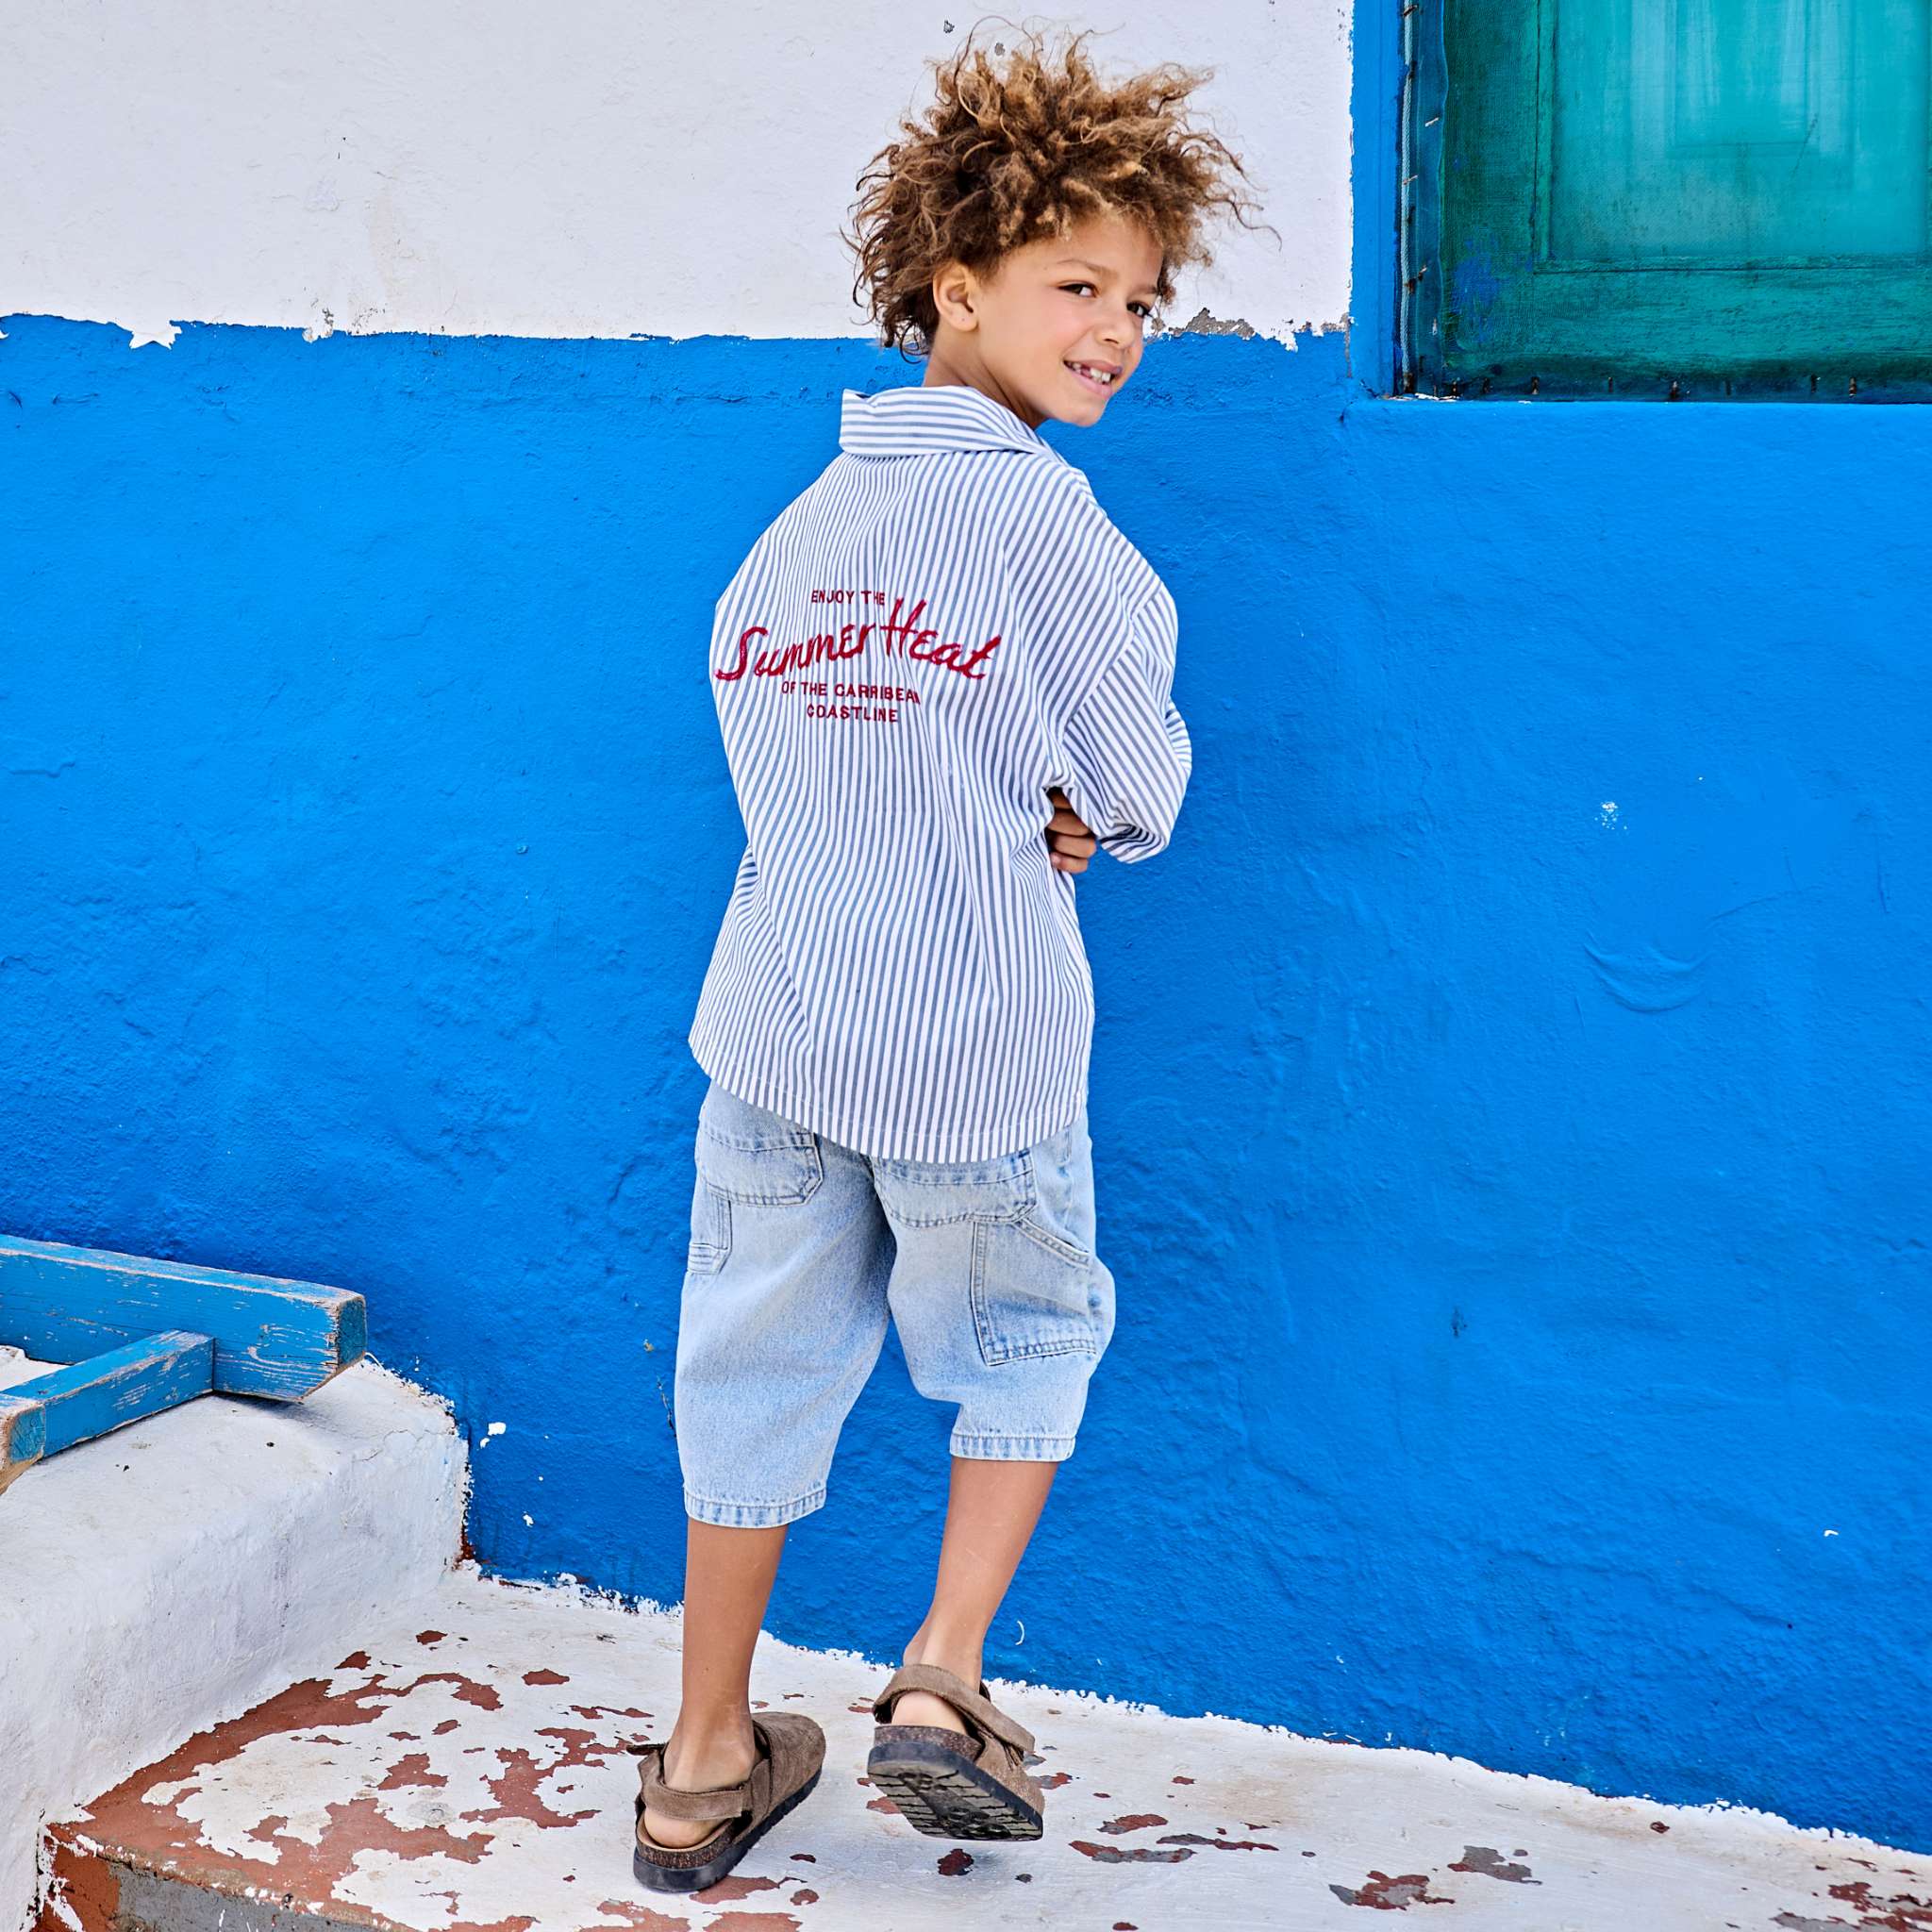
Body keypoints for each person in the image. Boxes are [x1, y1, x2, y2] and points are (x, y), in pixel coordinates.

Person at [630, 22, 1260, 1894]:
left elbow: (804, 760)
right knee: (1028, 1341)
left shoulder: (792, 537)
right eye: (1078, 286)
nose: (1116, 332)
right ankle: (940, 1678)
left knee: (743, 1373)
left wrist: (1007, 784)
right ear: (954, 281)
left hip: (779, 1035)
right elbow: (1135, 782)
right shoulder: (1046, 523)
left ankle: (702, 1756)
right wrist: (1079, 809)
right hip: (974, 1053)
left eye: (1141, 303)